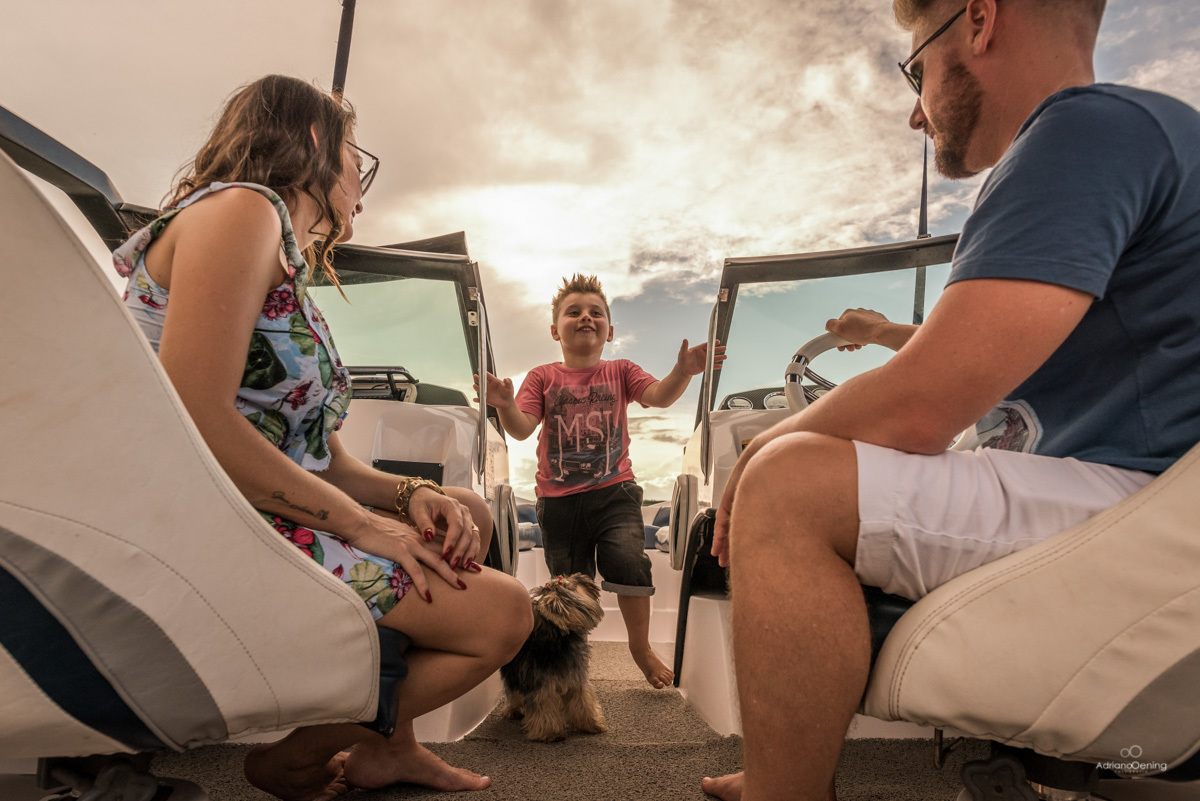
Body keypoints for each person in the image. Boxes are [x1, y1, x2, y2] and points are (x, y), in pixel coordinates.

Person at [700, 0, 1200, 798]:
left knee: (788, 487)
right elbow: (976, 359)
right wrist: (893, 341)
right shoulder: (1133, 134)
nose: (913, 109)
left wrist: (761, 450)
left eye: (916, 67)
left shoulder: (1085, 132)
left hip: (1142, 507)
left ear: (978, 21)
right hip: (1148, 496)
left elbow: (921, 408)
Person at [112, 74, 533, 801]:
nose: (361, 189)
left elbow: (322, 457)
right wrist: (369, 528)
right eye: (355, 160)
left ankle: (389, 750)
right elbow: (198, 422)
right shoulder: (242, 212)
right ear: (315, 141)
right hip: (215, 521)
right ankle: (300, 757)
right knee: (504, 615)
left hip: (258, 503)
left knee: (468, 511)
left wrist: (412, 493)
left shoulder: (275, 245)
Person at [477, 274, 724, 689]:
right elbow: (521, 429)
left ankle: (639, 648)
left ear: (610, 331)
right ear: (555, 330)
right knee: (569, 590)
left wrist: (682, 371)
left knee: (630, 560)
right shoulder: (542, 378)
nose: (585, 317)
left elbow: (659, 396)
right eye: (573, 312)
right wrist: (503, 404)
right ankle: (568, 665)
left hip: (615, 492)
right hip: (558, 503)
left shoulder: (621, 370)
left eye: (596, 312)